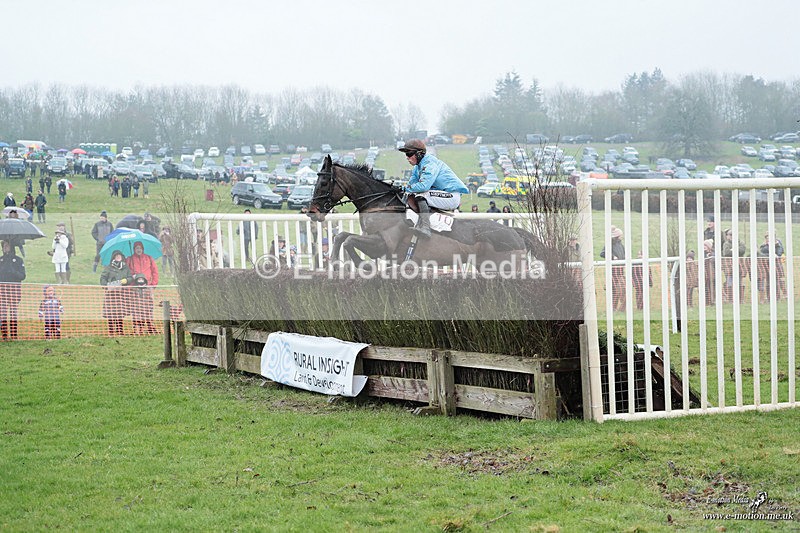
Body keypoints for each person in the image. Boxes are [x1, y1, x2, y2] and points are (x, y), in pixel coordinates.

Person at [398, 139, 468, 237]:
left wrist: (405, 189)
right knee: (413, 195)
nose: (407, 157)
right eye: (406, 154)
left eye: (409, 154)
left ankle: (425, 227)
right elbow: (410, 186)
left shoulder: (430, 164)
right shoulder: (417, 168)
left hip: (452, 196)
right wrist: (401, 189)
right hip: (441, 195)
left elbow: (423, 186)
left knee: (421, 194)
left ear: (419, 154)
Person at [126, 241, 159, 334]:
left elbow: (155, 272)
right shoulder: (129, 259)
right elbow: (126, 273)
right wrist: (131, 281)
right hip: (135, 287)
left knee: (149, 306)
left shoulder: (149, 258)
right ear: (134, 249)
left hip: (147, 286)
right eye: (137, 248)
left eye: (140, 248)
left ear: (142, 249)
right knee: (136, 307)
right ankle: (137, 327)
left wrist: (153, 285)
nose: (138, 250)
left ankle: (150, 325)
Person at [100, 250, 132, 336]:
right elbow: (103, 278)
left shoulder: (126, 267)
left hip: (121, 294)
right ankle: (111, 331)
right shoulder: (108, 268)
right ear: (113, 258)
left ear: (122, 257)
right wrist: (106, 285)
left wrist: (126, 280)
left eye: (119, 256)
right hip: (110, 294)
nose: (118, 257)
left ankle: (120, 330)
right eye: (116, 256)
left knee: (120, 313)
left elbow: (130, 277)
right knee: (110, 313)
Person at [0, 240, 25, 340]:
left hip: (14, 291)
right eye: (4, 246)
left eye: (7, 245)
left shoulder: (18, 260)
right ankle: (5, 335)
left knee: (13, 313)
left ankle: (14, 335)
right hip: (2, 291)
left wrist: (12, 271)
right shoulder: (1, 260)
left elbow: (22, 276)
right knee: (3, 313)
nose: (5, 247)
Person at [600, 225, 626, 312]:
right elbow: (602, 253)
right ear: (617, 236)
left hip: (620, 271)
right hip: (613, 272)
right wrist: (612, 257)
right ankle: (613, 309)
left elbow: (624, 255)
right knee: (615, 291)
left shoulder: (620, 245)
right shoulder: (609, 244)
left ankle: (621, 309)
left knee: (623, 290)